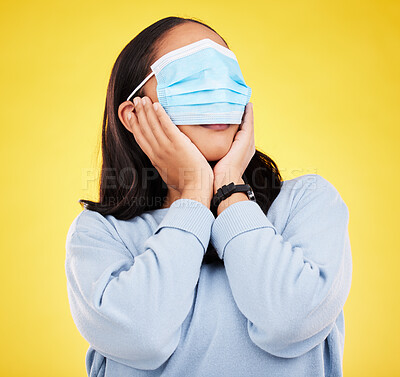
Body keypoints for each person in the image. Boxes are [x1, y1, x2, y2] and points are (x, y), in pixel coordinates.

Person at [65, 16, 352, 377]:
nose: (216, 87)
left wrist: (228, 187)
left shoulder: (307, 203)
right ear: (133, 113)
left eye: (225, 71)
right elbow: (141, 337)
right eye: (193, 72)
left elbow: (289, 322)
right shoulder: (99, 233)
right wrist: (193, 195)